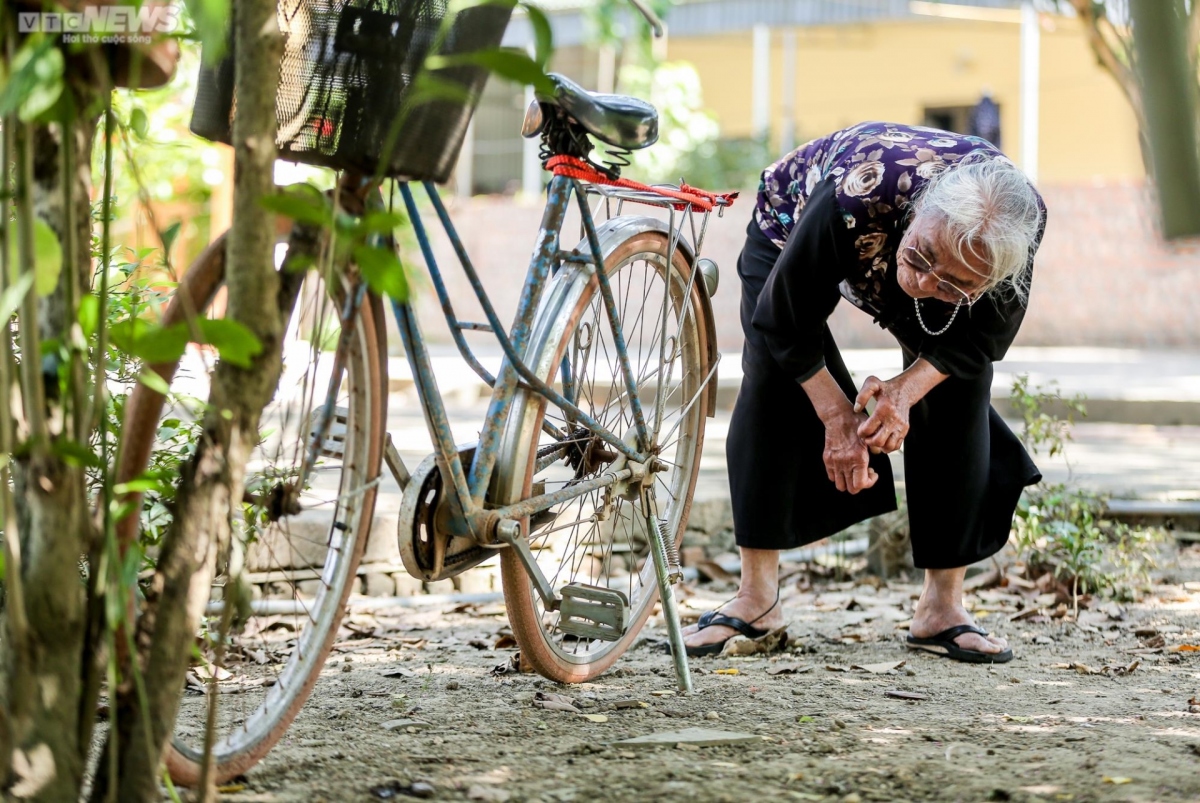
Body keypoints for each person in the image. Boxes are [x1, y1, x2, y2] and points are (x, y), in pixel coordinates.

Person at [683, 122, 1045, 663]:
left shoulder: (1015, 228)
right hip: (796, 223)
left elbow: (981, 338)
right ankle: (756, 597)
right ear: (919, 213)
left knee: (957, 393)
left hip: (924, 246)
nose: (923, 284)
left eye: (954, 284)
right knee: (776, 377)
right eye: (922, 257)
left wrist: (903, 392)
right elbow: (783, 321)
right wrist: (837, 418)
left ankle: (941, 608)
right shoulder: (860, 192)